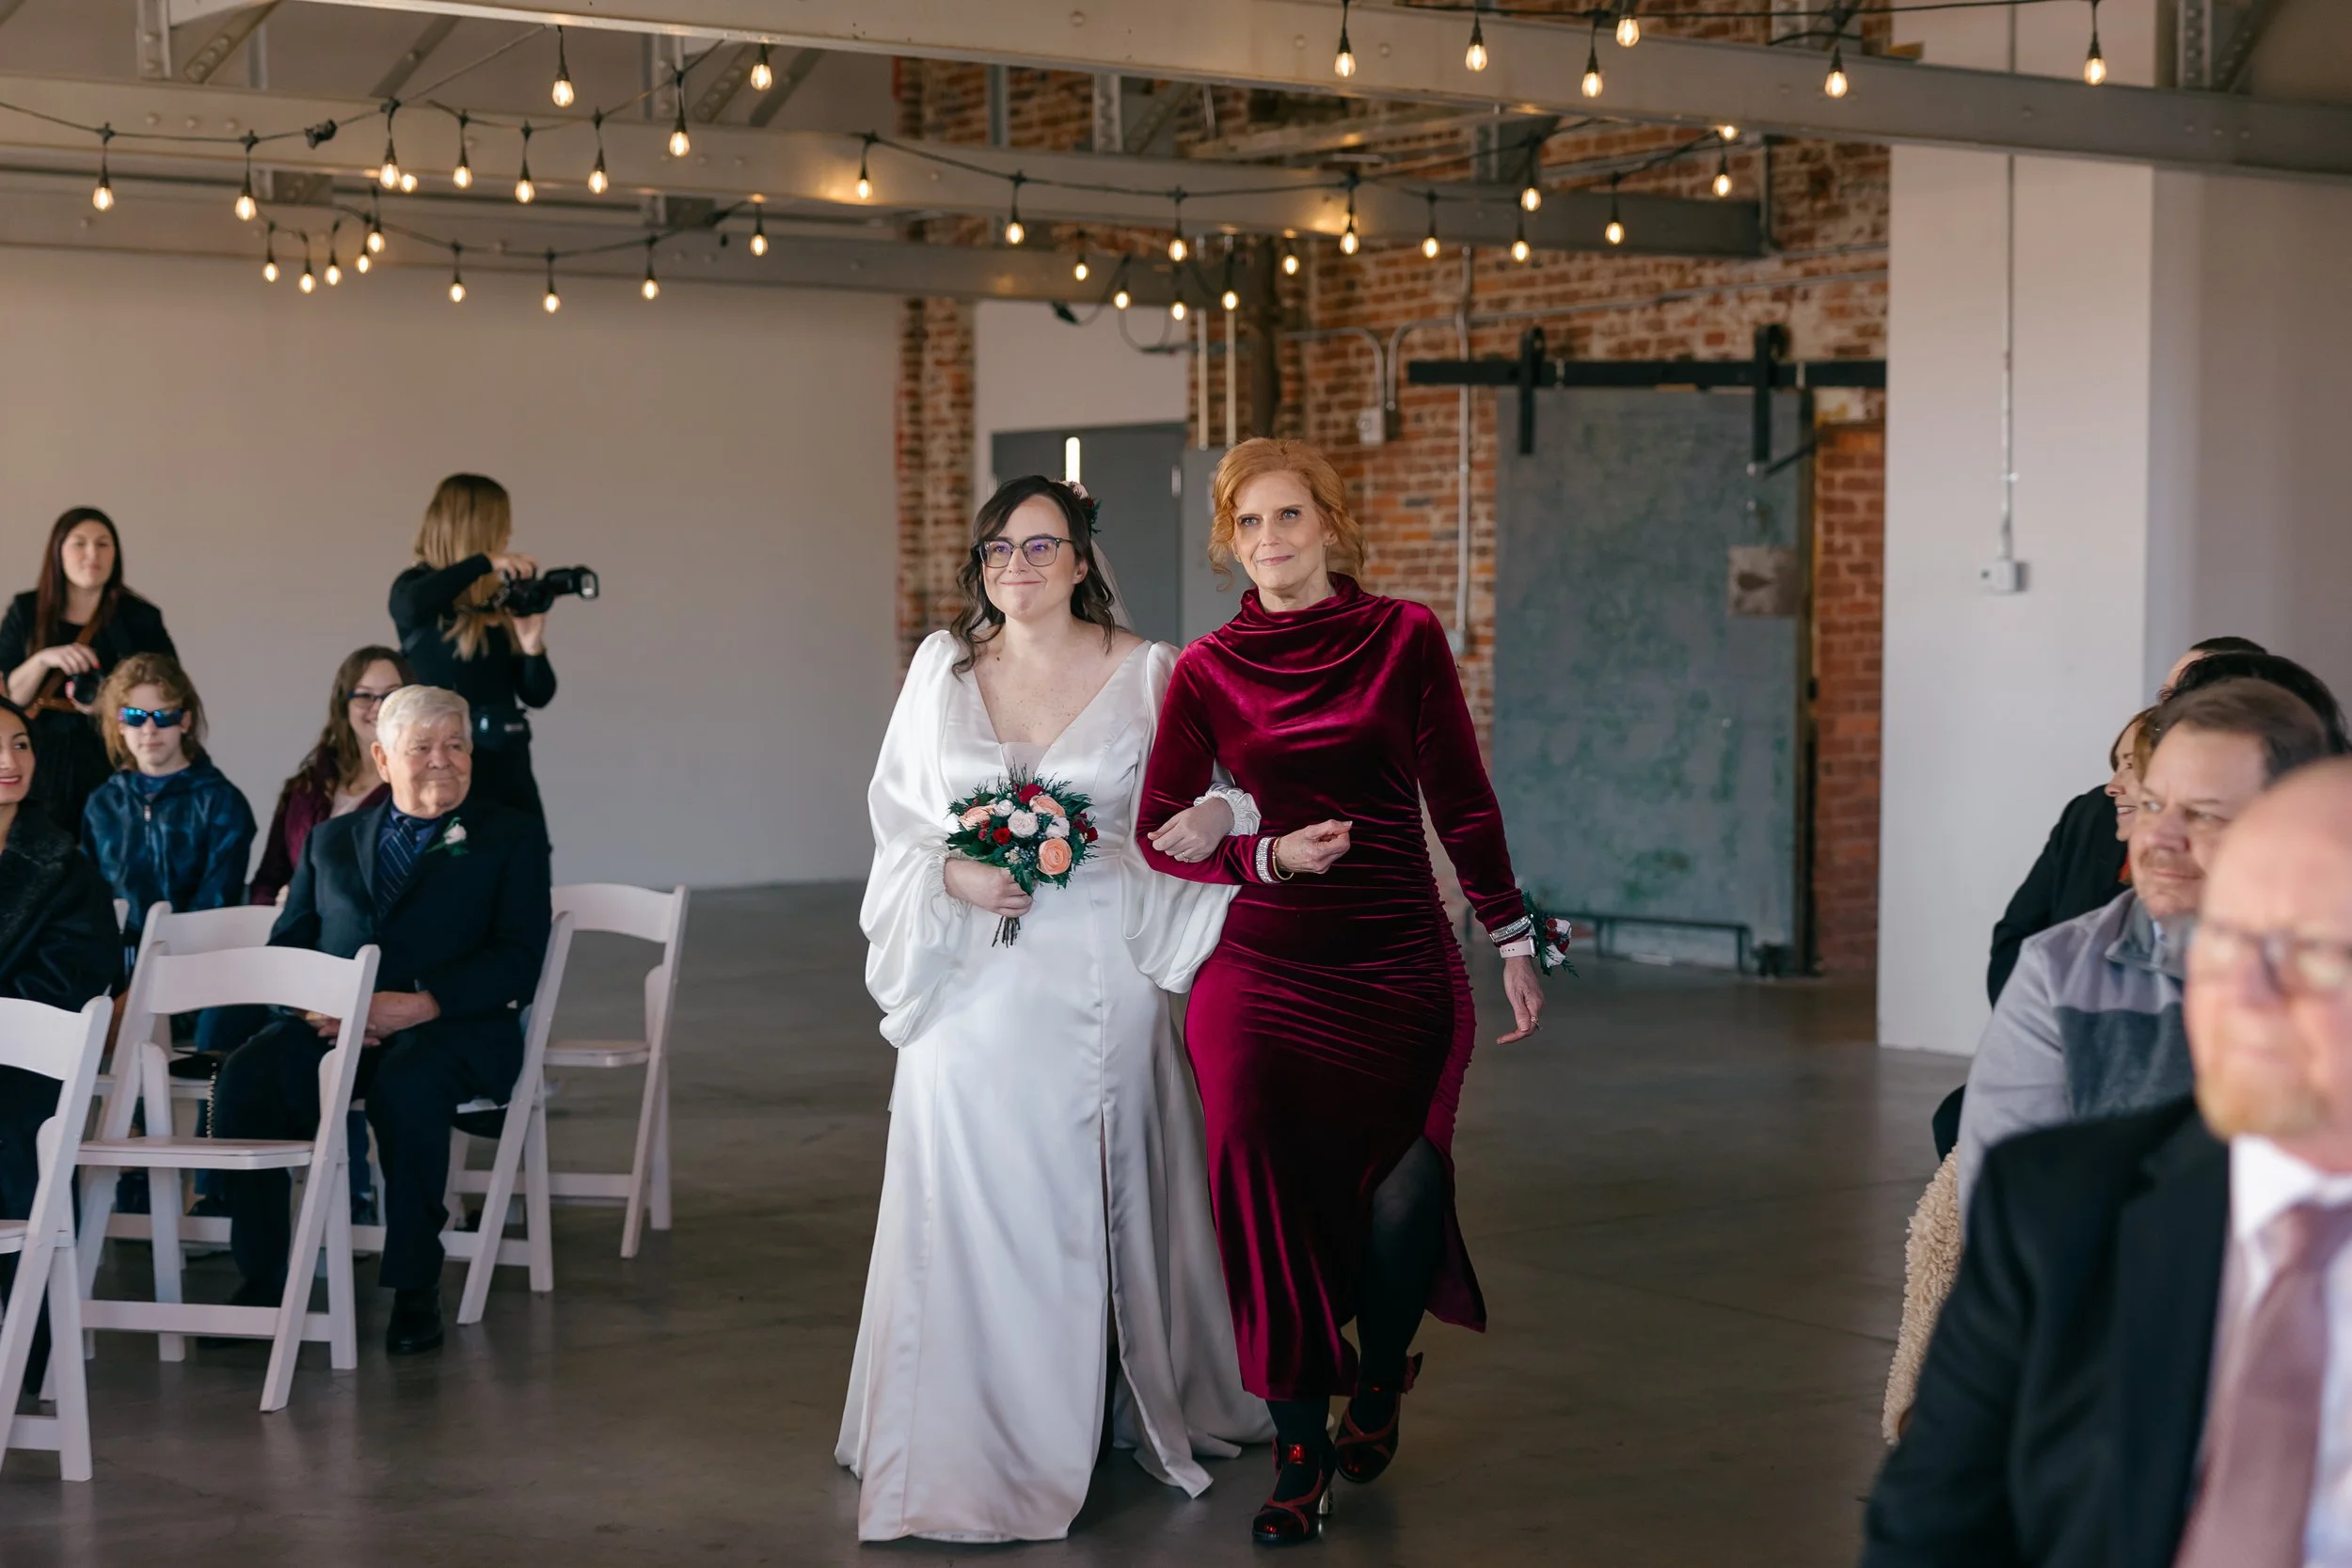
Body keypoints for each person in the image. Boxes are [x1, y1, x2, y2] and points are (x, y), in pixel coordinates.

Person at [838, 476, 1268, 1544]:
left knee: (1087, 1188)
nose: (1017, 567)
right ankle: (966, 1417)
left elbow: (1232, 790)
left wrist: (1214, 811)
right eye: (998, 549)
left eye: (1040, 546)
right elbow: (897, 825)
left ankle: (1102, 1398)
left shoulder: (1150, 670)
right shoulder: (941, 670)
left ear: (1082, 559)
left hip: (1098, 974)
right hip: (965, 976)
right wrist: (952, 876)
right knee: (966, 1187)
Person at [1135, 437, 1549, 1545]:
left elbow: (1460, 795)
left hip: (1399, 958)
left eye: (1288, 518)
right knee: (1258, 1188)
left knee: (1406, 1186)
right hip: (1261, 968)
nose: (1269, 543)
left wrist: (1509, 933)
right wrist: (1260, 852)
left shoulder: (1402, 634)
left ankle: (1375, 1379)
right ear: (1230, 540)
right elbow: (1157, 830)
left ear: (1328, 524)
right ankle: (1301, 1446)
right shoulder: (1208, 669)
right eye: (1249, 526)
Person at [1862, 757, 2352, 1568]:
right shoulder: (2061, 1214)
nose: (2246, 993)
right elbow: (1931, 1538)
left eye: (2313, 953)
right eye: (2226, 938)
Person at [211, 686, 550, 1357]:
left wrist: (422, 1001)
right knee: (246, 1077)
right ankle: (263, 1276)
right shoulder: (334, 841)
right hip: (335, 1025)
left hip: (454, 1026)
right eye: (422, 747)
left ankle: (414, 1283)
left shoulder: (508, 836)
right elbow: (290, 942)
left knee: (407, 1085)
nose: (442, 760)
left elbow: (519, 956)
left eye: (456, 744)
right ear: (382, 757)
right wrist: (316, 1003)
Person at [1954, 679, 2328, 1212]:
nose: (2159, 837)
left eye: (2203, 814)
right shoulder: (2060, 972)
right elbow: (2012, 1216)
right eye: (2152, 804)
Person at [0, 696, 129, 1397]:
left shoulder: (61, 862)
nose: (10, 761)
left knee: (15, 1129)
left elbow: (78, 977)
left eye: (20, 744)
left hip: (26, 1066)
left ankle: (27, 1350)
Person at [0, 508, 177, 837]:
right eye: (79, 543)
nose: (92, 554)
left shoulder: (139, 617)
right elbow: (10, 695)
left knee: (108, 859)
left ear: (116, 554)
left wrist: (109, 704)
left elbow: (169, 690)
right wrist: (44, 659)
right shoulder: (27, 611)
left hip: (113, 759)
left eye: (103, 544)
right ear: (58, 551)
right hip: (40, 760)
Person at [389, 475, 557, 818]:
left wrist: (532, 645)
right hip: (444, 769)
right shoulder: (417, 589)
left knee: (527, 858)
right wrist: (483, 562)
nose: (507, 537)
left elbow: (537, 694)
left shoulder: (497, 601)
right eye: (501, 525)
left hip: (507, 769)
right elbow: (409, 607)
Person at [79, 654, 255, 974]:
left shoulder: (222, 802)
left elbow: (216, 900)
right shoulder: (102, 803)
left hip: (200, 967)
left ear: (184, 721)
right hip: (115, 968)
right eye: (134, 716)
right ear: (120, 725)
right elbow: (89, 897)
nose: (149, 728)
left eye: (163, 716)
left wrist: (169, 964)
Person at [250, 646, 414, 906]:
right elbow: (268, 878)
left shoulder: (418, 793)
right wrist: (278, 916)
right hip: (291, 939)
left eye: (392, 695)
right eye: (364, 696)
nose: (379, 707)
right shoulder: (305, 788)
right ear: (343, 705)